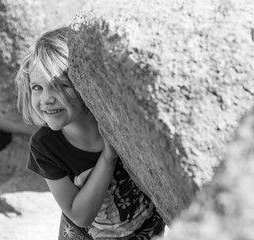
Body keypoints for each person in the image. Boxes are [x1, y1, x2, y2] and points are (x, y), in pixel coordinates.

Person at [15, 27, 165, 240]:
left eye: (60, 85)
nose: (46, 98)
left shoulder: (121, 121)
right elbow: (79, 216)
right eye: (37, 87)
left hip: (145, 230)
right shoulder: (45, 146)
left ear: (85, 84)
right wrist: (108, 157)